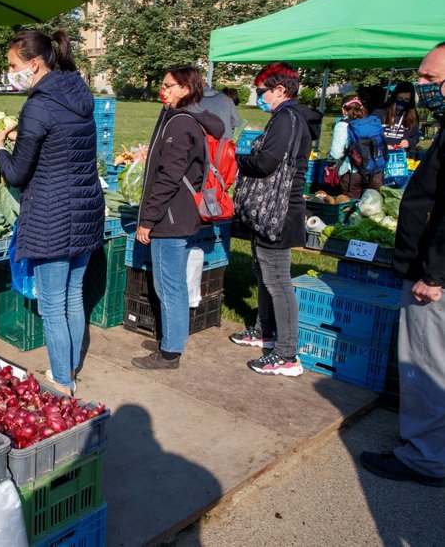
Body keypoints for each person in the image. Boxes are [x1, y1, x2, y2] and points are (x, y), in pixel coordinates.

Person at [0, 29, 104, 395]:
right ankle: (68, 367)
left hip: (53, 214)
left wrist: (0, 147)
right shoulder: (78, 95)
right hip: (85, 211)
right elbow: (63, 144)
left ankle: (62, 380)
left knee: (53, 304)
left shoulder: (39, 104)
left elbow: (17, 173)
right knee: (72, 297)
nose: (10, 72)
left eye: (13, 65)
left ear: (34, 63)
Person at [360, 42, 445, 488]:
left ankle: (426, 458)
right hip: (430, 270)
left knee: (428, 367)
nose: (421, 87)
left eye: (431, 80)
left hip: (433, 280)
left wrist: (434, 275)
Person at [229, 62, 322, 376]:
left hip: (279, 213)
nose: (259, 97)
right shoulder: (287, 118)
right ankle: (265, 330)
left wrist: (236, 159)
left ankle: (286, 353)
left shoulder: (287, 118)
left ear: (280, 90)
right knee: (264, 273)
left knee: (279, 282)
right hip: (272, 211)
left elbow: (267, 162)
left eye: (261, 92)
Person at [130, 66, 225, 370]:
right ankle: (171, 339)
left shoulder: (181, 125)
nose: (164, 89)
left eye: (169, 85)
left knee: (169, 285)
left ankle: (170, 353)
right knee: (172, 283)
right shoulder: (183, 119)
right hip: (179, 215)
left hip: (171, 218)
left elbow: (168, 179)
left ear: (185, 88)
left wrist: (148, 219)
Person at [328, 96, 384, 198]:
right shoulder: (373, 123)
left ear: (343, 110)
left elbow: (336, 154)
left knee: (349, 208)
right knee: (371, 208)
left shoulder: (342, 125)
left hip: (352, 173)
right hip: (375, 172)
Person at [381, 82, 420, 156]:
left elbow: (415, 137)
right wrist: (382, 146)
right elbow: (371, 136)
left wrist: (409, 142)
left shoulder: (412, 114)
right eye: (399, 98)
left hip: (401, 157)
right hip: (381, 156)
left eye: (407, 99)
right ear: (394, 97)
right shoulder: (381, 112)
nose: (402, 101)